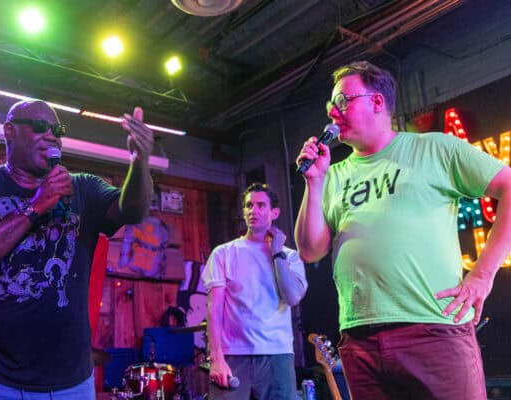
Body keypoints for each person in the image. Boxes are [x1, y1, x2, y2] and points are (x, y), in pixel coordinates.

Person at [295, 60, 511, 400]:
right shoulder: (332, 176)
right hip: (360, 340)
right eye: (328, 107)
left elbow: (508, 187)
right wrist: (315, 181)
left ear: (377, 102)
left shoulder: (436, 149)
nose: (332, 114)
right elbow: (310, 250)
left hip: (432, 329)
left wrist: (482, 275)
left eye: (341, 102)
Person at [0, 99, 153, 399]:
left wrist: (140, 162)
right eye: (40, 127)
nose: (52, 135)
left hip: (68, 382)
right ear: (9, 131)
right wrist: (37, 205)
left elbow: (133, 211)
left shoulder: (84, 189)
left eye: (58, 130)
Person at [202, 182, 308, 400]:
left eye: (261, 205)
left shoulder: (290, 256)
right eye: (249, 206)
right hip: (233, 354)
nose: (253, 211)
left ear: (274, 212)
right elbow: (214, 311)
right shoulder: (224, 253)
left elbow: (293, 297)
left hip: (277, 354)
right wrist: (216, 359)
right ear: (243, 211)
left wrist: (277, 252)